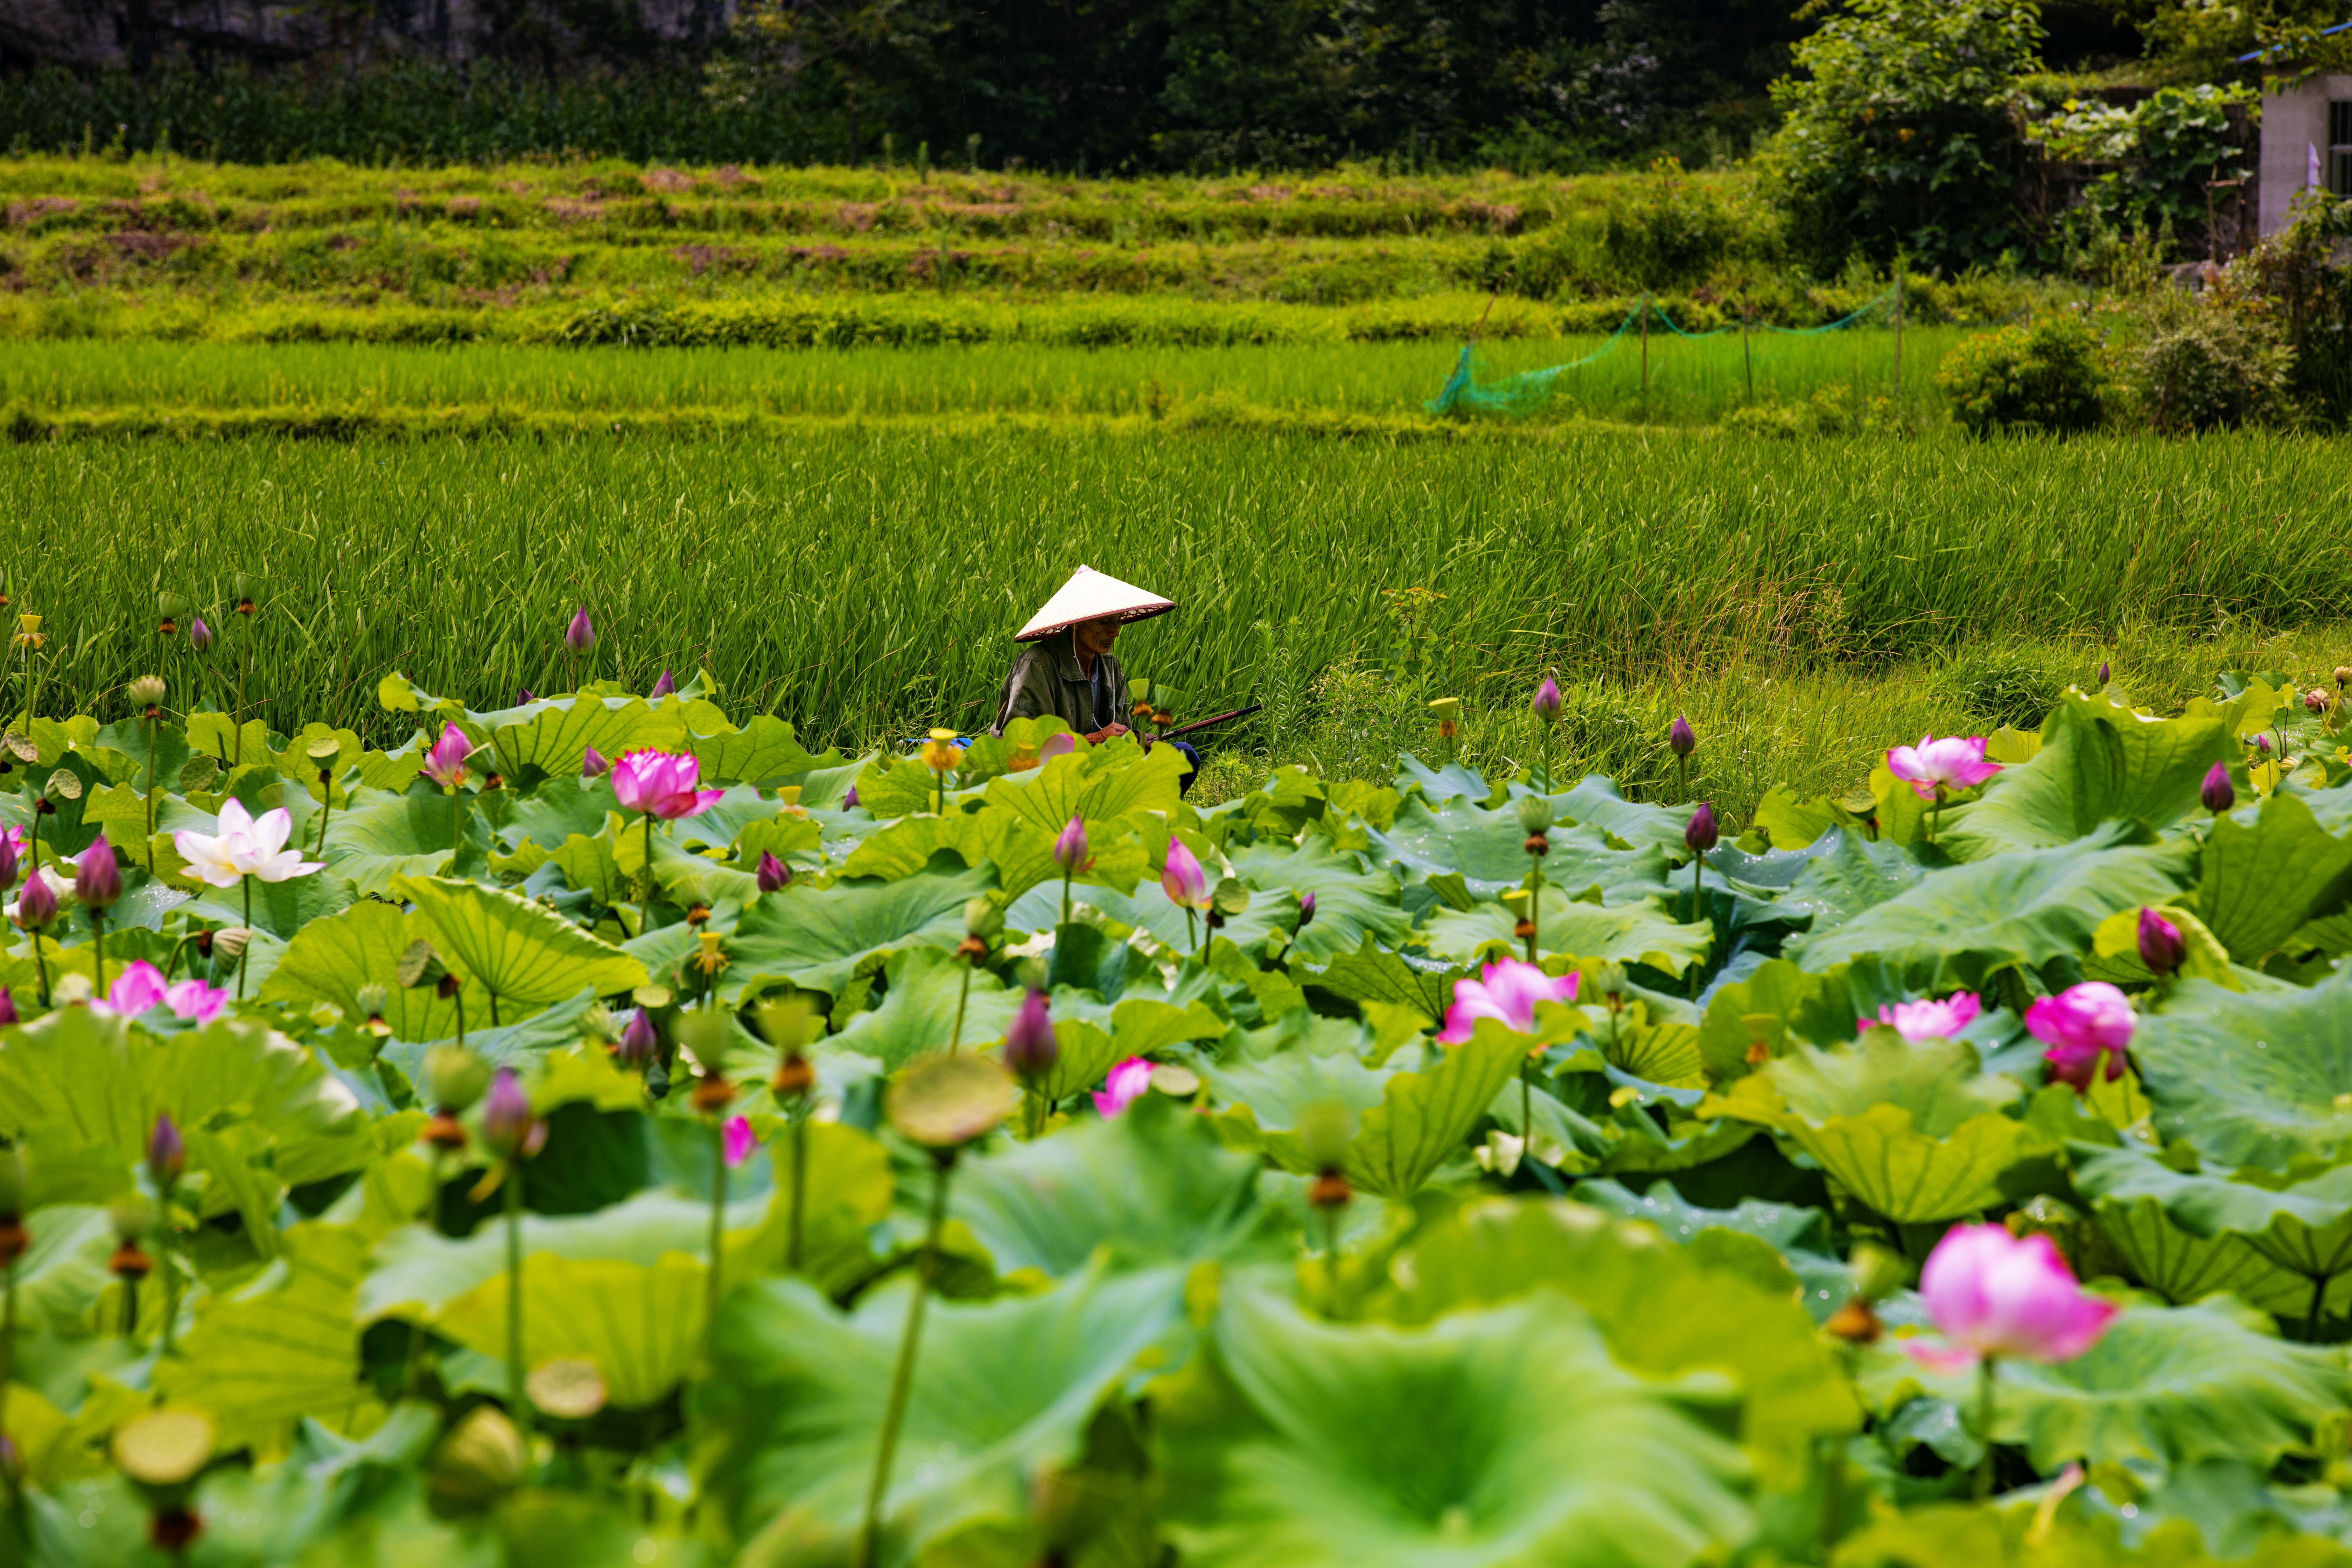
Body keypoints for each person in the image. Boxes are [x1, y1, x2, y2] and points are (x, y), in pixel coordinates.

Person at [993, 565, 1200, 789]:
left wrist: (1136, 739)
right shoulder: (1037, 666)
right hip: (1053, 777)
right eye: (1104, 622)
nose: (1116, 632)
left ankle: (1151, 819)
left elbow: (1121, 733)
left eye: (1118, 620)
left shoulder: (1110, 667)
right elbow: (1020, 747)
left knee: (1184, 755)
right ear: (1076, 622)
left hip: (1101, 769)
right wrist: (1096, 739)